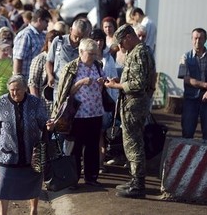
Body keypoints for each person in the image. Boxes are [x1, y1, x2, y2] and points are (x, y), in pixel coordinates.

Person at [0, 74, 53, 215]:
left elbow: (44, 122)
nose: (14, 93)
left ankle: (33, 210)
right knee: (3, 186)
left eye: (18, 89)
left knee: (33, 184)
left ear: (25, 88)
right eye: (12, 90)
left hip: (31, 154)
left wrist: (48, 125)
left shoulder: (35, 102)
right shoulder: (2, 102)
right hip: (8, 154)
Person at [105, 24, 156, 198]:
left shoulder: (139, 53)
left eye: (121, 43)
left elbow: (138, 84)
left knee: (134, 143)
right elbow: (137, 78)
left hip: (134, 105)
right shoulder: (138, 51)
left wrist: (116, 85)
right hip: (134, 104)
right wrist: (120, 80)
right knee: (133, 142)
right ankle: (135, 180)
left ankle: (138, 185)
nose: (120, 47)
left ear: (128, 37)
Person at [52, 38, 105, 190]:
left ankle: (91, 177)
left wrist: (103, 82)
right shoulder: (71, 68)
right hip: (77, 115)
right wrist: (81, 82)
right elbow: (64, 91)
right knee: (74, 148)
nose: (94, 56)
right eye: (91, 53)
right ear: (81, 52)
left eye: (96, 53)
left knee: (92, 147)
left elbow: (101, 89)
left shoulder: (98, 65)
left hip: (95, 112)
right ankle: (72, 179)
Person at [89, 29, 119, 174]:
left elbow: (113, 79)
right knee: (89, 134)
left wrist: (114, 100)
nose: (99, 42)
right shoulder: (86, 57)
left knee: (101, 133)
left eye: (101, 40)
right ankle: (89, 164)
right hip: (88, 101)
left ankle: (100, 163)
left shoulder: (109, 58)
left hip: (104, 100)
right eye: (96, 40)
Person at [46, 19, 89, 100]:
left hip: (76, 87)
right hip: (58, 84)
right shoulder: (59, 41)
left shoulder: (84, 47)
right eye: (75, 36)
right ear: (70, 30)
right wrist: (50, 76)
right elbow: (49, 61)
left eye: (81, 37)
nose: (77, 40)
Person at [178, 28, 207, 141]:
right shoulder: (185, 57)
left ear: (205, 40)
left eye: (200, 38)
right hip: (190, 99)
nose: (197, 41)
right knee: (187, 132)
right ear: (191, 39)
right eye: (195, 38)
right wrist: (205, 85)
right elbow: (187, 80)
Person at [28, 30, 61, 117]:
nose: (54, 44)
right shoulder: (40, 59)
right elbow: (32, 83)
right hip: (44, 102)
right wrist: (36, 105)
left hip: (59, 101)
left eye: (56, 41)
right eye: (51, 41)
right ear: (47, 42)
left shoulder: (62, 58)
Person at [13, 8, 52, 81]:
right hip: (26, 80)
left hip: (39, 80)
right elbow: (18, 59)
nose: (47, 25)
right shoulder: (25, 35)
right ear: (39, 20)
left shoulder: (43, 35)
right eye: (46, 21)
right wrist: (17, 81)